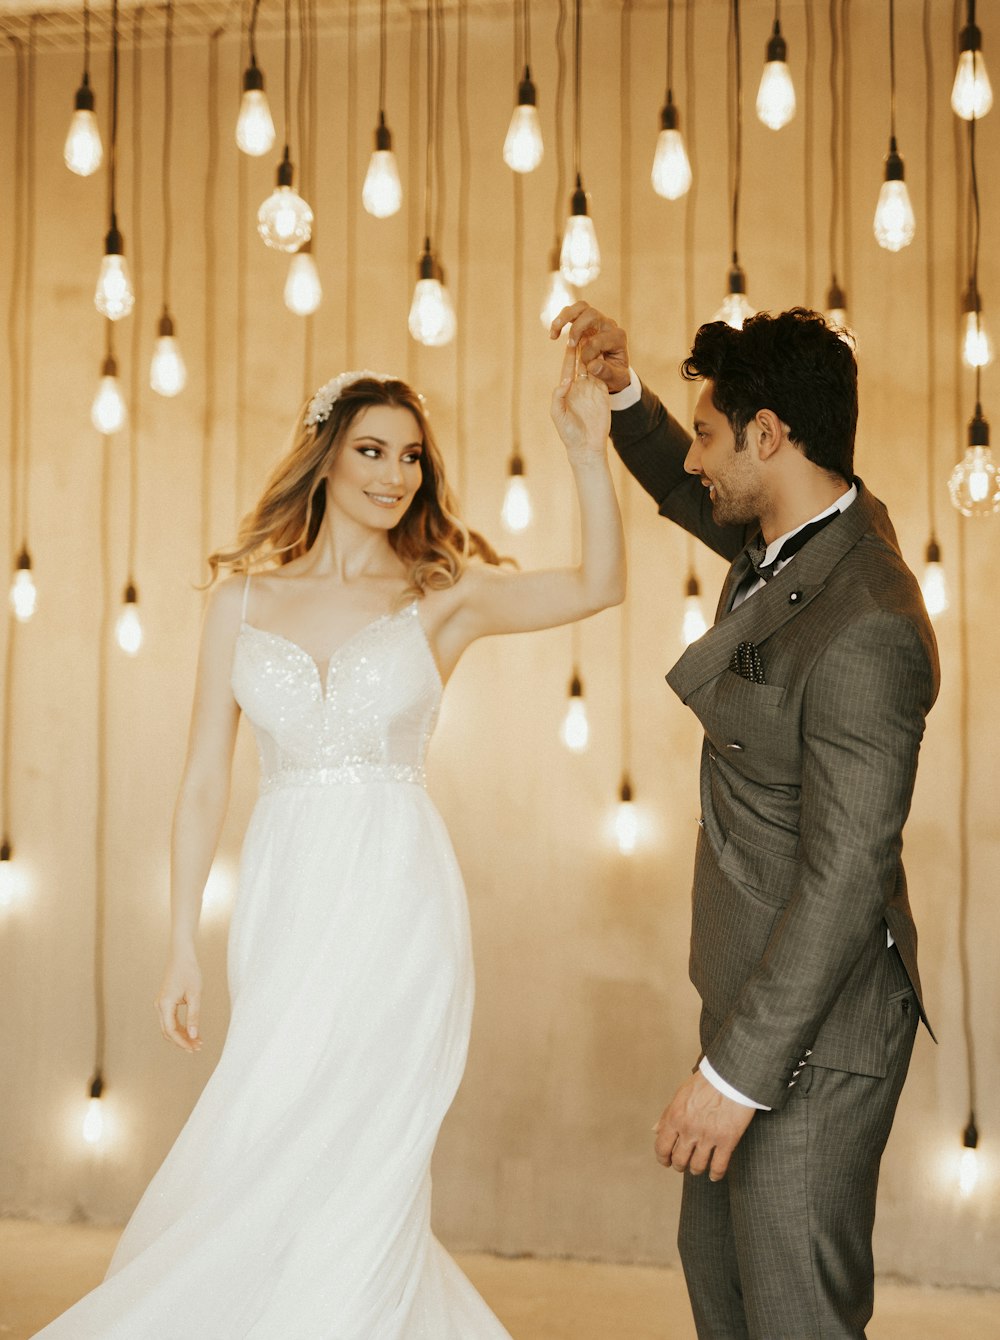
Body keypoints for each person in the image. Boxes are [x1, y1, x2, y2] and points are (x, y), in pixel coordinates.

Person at [35, 347, 622, 1339]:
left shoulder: (442, 595)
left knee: (371, 1149)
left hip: (400, 901)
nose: (394, 475)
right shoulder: (241, 601)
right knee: (273, 1128)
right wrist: (182, 938)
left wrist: (583, 450)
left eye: (410, 458)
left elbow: (600, 584)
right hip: (286, 894)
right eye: (372, 451)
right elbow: (201, 782)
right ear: (327, 457)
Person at [551, 302, 938, 1340]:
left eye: (711, 434)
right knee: (720, 1285)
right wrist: (623, 395)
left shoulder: (867, 624)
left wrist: (734, 1073)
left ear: (770, 435)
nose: (700, 463)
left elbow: (848, 870)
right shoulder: (798, 525)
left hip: (812, 1029)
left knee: (790, 1316)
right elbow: (688, 485)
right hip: (754, 998)